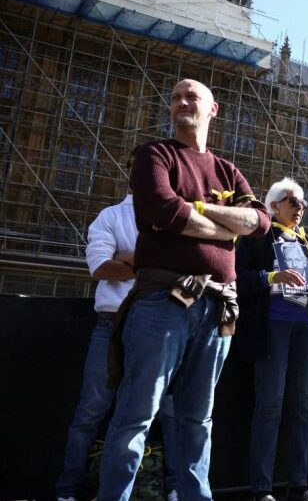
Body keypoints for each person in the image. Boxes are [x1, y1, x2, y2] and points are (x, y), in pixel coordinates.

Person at [99, 79, 270, 501]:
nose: (181, 102)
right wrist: (226, 229)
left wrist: (197, 209)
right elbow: (162, 207)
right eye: (175, 97)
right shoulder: (153, 155)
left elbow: (260, 222)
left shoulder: (228, 170)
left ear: (213, 109)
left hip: (218, 309)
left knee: (198, 419)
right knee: (137, 414)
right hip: (163, 301)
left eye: (192, 96)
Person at [57, 194, 178, 501]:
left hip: (159, 326)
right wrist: (153, 268)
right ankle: (68, 490)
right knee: (90, 411)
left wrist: (128, 259)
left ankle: (176, 487)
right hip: (111, 325)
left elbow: (183, 271)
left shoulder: (174, 220)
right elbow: (100, 268)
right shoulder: (111, 216)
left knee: (167, 411)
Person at [235, 178, 308, 501]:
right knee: (270, 405)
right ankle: (261, 488)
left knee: (302, 407)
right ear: (274, 205)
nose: (300, 209)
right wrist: (271, 277)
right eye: (294, 202)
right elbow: (237, 278)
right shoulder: (257, 238)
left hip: (306, 328)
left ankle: (299, 483)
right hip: (272, 327)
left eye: (303, 204)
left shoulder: (306, 241)